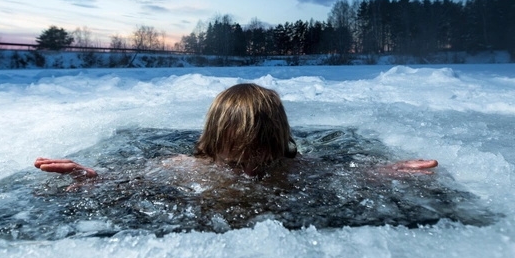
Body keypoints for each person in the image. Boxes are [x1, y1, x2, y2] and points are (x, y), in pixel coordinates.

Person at [35, 83, 438, 179]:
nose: (251, 161)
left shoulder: (295, 165)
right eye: (239, 149)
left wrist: (386, 172)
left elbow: (340, 173)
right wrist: (95, 178)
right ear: (213, 141)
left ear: (279, 140)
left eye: (262, 147)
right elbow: (136, 179)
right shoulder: (191, 167)